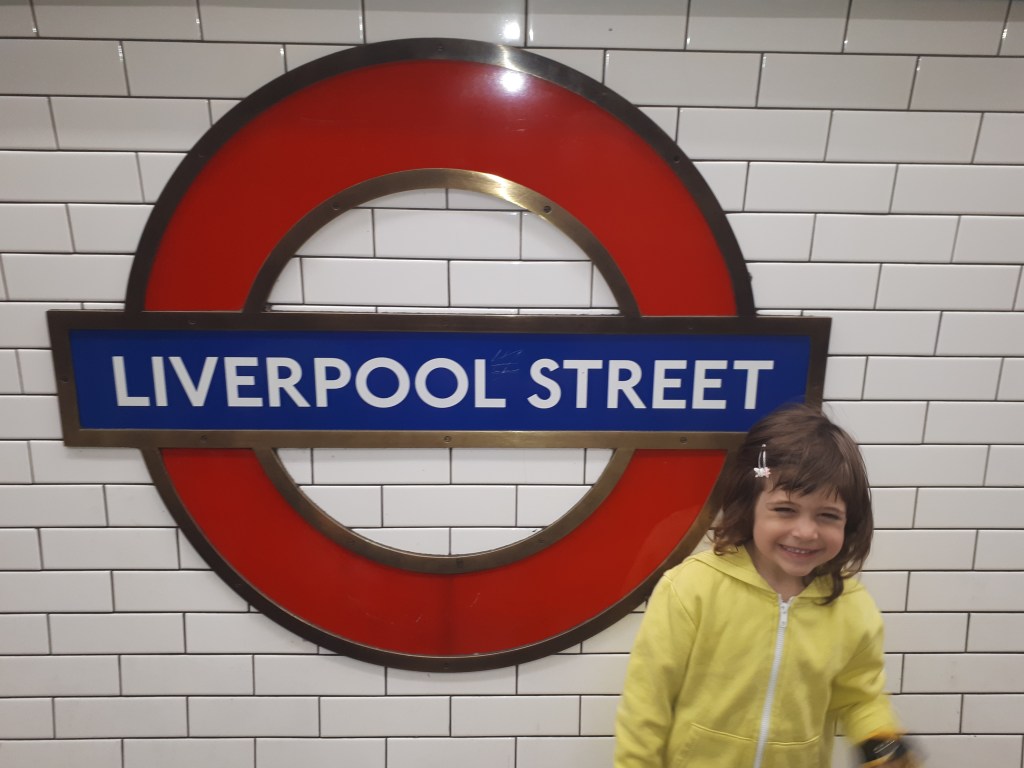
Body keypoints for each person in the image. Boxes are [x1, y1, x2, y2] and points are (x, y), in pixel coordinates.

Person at [614, 403, 918, 768]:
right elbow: (647, 703)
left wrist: (880, 739)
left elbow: (860, 697)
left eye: (827, 515)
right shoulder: (690, 588)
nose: (805, 531)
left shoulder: (852, 607)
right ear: (750, 506)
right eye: (785, 510)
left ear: (848, 523)